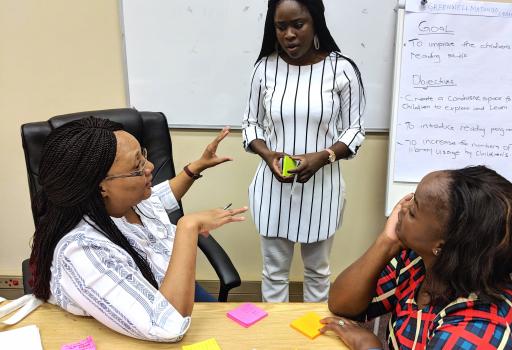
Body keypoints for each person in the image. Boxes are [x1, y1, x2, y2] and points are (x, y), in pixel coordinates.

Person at [29, 117, 247, 342]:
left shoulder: (130, 201)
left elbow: (163, 196)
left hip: (175, 289)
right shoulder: (83, 250)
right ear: (101, 187)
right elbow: (168, 327)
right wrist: (188, 227)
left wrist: (196, 167)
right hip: (161, 315)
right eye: (137, 166)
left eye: (143, 155)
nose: (150, 167)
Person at [321, 166, 512, 349]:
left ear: (441, 245)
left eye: (413, 211)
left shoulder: (475, 332)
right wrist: (386, 242)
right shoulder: (418, 261)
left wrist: (369, 346)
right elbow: (343, 305)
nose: (402, 208)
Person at [241, 0, 366, 302]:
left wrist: (322, 157)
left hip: (322, 191)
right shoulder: (264, 69)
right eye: (281, 27)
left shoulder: (342, 69)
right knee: (273, 274)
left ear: (315, 22)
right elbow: (250, 123)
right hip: (273, 188)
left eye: (298, 24)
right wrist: (268, 154)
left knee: (317, 274)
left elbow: (355, 131)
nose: (289, 35)